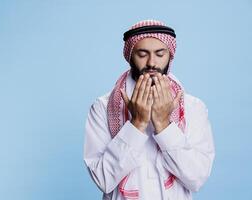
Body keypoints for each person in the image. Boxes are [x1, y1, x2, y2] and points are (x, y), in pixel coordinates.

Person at [83, 19, 215, 200]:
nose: (152, 63)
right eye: (142, 54)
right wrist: (136, 124)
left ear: (170, 56)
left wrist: (164, 125)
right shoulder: (102, 107)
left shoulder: (193, 107)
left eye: (160, 54)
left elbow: (196, 178)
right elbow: (103, 179)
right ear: (130, 56)